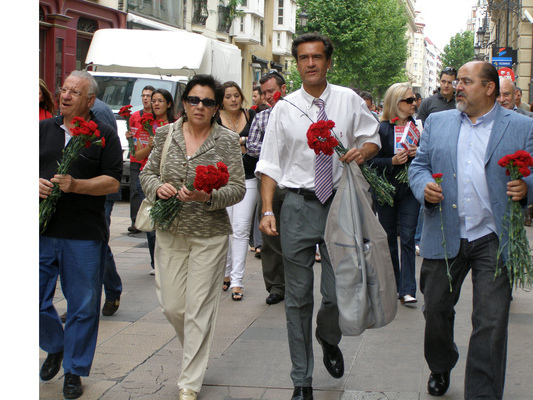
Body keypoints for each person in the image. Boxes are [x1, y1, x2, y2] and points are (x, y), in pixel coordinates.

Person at [256, 33, 380, 400]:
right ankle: (302, 381)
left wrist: (362, 151)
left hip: (339, 206)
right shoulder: (284, 108)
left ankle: (328, 336)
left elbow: (372, 137)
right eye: (303, 58)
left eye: (317, 57)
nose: (310, 63)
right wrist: (266, 209)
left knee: (336, 295)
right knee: (297, 299)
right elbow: (270, 164)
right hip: (296, 206)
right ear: (296, 63)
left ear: (328, 61)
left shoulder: (348, 100)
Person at [409, 61, 533, 399]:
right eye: (457, 81)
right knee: (435, 311)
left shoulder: (522, 126)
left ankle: (482, 394)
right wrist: (424, 189)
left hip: (492, 237)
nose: (457, 87)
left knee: (490, 324)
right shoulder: (438, 121)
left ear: (490, 88)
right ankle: (441, 362)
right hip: (444, 233)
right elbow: (419, 166)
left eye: (466, 81)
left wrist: (526, 187)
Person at [139, 74, 245, 400]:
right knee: (173, 307)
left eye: (208, 102)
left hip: (209, 235)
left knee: (198, 309)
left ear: (216, 108)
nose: (200, 106)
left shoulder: (226, 140)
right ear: (184, 103)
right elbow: (147, 172)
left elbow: (238, 188)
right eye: (194, 100)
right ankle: (196, 354)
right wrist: (158, 188)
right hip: (170, 231)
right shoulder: (165, 133)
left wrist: (207, 198)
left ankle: (189, 383)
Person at [39, 70, 122, 399]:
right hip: (41, 229)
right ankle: (56, 345)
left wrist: (77, 186)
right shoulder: (42, 130)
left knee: (84, 305)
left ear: (90, 101)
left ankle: (74, 369)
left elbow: (114, 182)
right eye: (63, 89)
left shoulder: (102, 135)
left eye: (75, 92)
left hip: (84, 233)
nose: (65, 95)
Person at [368, 82, 419, 306]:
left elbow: (430, 157)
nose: (414, 103)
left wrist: (420, 153)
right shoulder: (381, 129)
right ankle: (393, 286)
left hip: (409, 190)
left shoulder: (419, 128)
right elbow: (368, 162)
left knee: (407, 238)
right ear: (395, 103)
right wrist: (391, 161)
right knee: (388, 239)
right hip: (385, 190)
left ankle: (408, 289)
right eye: (409, 100)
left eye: (414, 99)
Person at [246, 70, 288, 305]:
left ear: (282, 89)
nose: (267, 96)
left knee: (291, 236)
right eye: (263, 92)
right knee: (269, 238)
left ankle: (293, 284)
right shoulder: (262, 117)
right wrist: (272, 149)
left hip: (291, 183)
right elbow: (252, 147)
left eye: (271, 91)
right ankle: (275, 286)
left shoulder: (296, 114)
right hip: (267, 182)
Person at [216, 81, 257, 300]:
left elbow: (257, 145)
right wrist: (242, 142)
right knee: (226, 229)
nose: (233, 99)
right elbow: (215, 147)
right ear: (221, 100)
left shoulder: (251, 115)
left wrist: (240, 141)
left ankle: (237, 281)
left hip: (248, 179)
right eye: (228, 96)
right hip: (221, 181)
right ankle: (226, 272)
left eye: (236, 95)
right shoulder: (216, 119)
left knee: (240, 230)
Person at [136, 88, 177, 275]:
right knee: (152, 220)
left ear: (168, 103)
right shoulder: (145, 124)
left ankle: (170, 258)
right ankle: (156, 262)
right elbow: (137, 154)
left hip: (171, 178)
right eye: (153, 101)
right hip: (151, 177)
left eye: (160, 100)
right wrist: (151, 146)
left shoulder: (176, 125)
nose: (156, 104)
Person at [125, 85, 155, 234]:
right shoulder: (135, 116)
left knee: (147, 191)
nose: (145, 98)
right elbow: (132, 133)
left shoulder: (157, 116)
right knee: (135, 191)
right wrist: (128, 137)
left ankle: (149, 218)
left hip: (151, 159)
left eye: (148, 96)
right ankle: (135, 221)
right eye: (143, 95)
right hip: (136, 158)